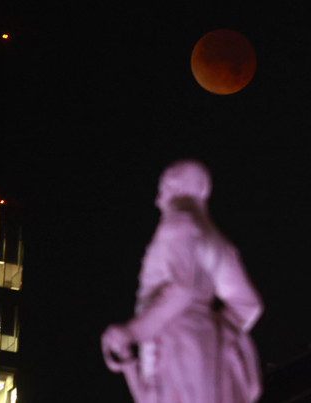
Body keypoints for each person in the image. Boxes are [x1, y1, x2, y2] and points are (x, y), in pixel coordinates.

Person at [102, 160, 263, 402]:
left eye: (162, 190)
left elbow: (182, 290)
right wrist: (215, 333)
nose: (158, 201)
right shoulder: (216, 240)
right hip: (204, 354)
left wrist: (133, 331)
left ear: (176, 188)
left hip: (175, 348)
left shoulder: (177, 225)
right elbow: (248, 304)